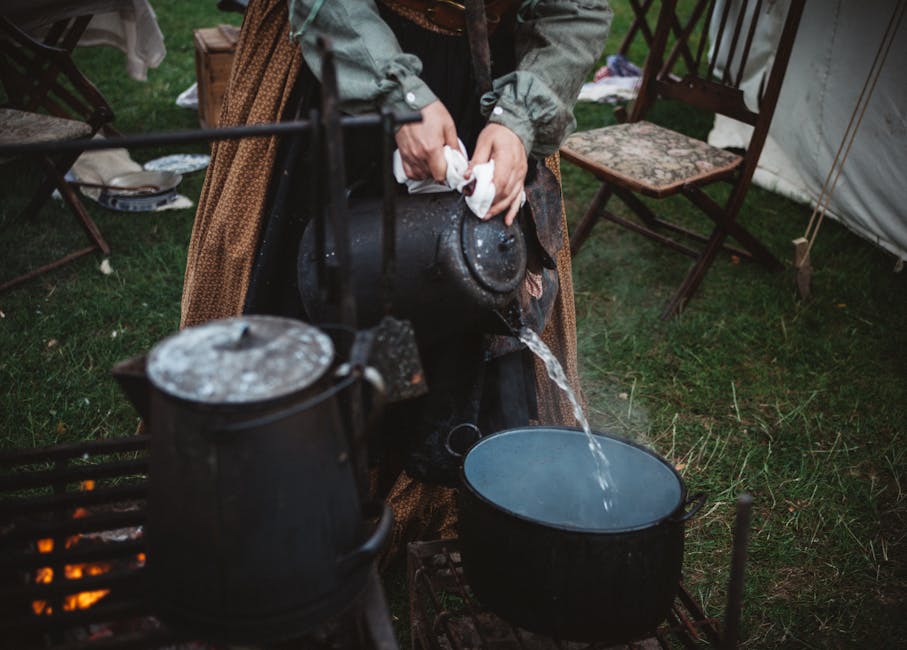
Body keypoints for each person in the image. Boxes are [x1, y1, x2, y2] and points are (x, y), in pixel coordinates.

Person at [180, 0, 611, 559]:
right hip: (347, 55)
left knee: (457, 283)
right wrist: (399, 94)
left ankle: (426, 489)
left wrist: (517, 121)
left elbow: (575, 9)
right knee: (324, 282)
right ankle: (294, 490)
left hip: (493, 88)